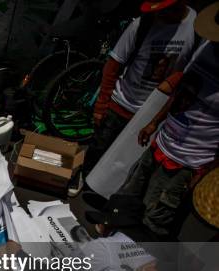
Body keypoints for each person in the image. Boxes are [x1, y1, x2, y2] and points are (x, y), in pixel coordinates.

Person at [91, 7, 219, 239]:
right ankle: (110, 236)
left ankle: (133, 259)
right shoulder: (206, 48)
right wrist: (154, 123)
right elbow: (181, 90)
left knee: (155, 214)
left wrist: (209, 172)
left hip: (189, 160)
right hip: (163, 139)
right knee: (130, 192)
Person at [84, 0, 197, 177]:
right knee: (97, 150)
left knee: (125, 165)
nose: (156, 16)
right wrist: (101, 105)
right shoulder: (142, 25)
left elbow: (189, 71)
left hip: (150, 115)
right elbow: (113, 65)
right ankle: (82, 178)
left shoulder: (195, 28)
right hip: (121, 104)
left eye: (161, 11)